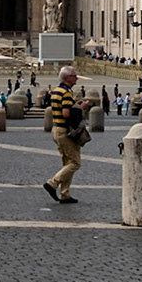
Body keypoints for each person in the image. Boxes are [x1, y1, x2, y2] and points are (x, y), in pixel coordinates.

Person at [43, 66, 85, 205]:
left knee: (67, 163)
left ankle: (65, 194)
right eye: (74, 75)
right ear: (67, 78)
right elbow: (66, 113)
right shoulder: (66, 92)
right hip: (64, 131)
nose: (76, 77)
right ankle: (52, 183)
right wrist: (80, 108)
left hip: (56, 129)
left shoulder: (56, 90)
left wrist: (74, 105)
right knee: (75, 163)